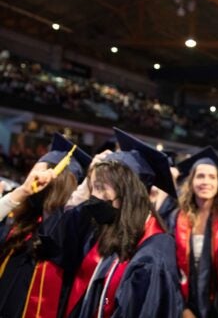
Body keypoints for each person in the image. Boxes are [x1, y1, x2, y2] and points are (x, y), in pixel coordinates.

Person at [40, 128, 183, 317]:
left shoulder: (152, 257)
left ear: (129, 195)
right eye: (93, 187)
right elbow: (54, 243)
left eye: (100, 188)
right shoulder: (108, 229)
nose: (94, 197)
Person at [0, 133, 90, 318]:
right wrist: (19, 194)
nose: (30, 178)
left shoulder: (68, 229)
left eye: (38, 171)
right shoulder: (22, 221)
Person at [173, 146, 218, 318]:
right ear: (191, 182)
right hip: (187, 302)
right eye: (200, 176)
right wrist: (182, 308)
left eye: (212, 177)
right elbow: (172, 267)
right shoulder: (178, 218)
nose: (206, 182)